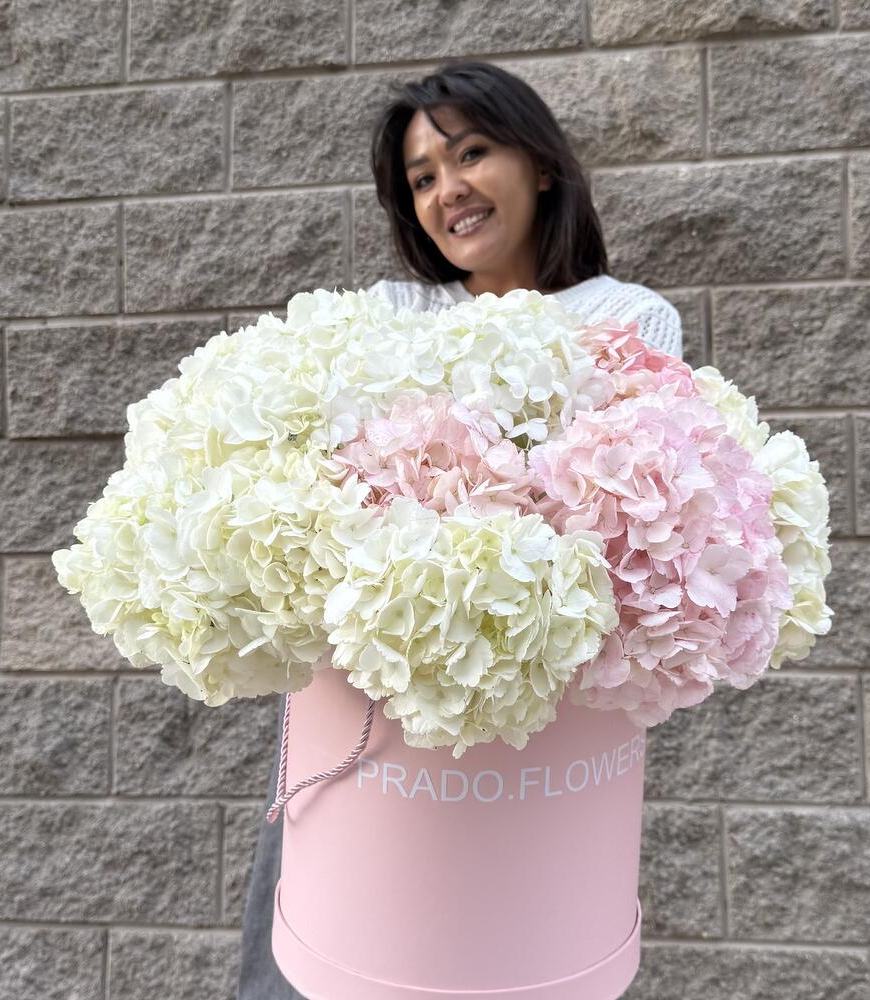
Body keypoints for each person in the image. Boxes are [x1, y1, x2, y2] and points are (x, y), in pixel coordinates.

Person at [236, 59, 682, 999]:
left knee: (499, 952)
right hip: (367, 716)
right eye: (423, 177)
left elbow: (626, 526)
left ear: (542, 164)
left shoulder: (628, 317)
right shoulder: (390, 311)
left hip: (525, 728)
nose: (449, 190)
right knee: (321, 952)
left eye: (471, 154)